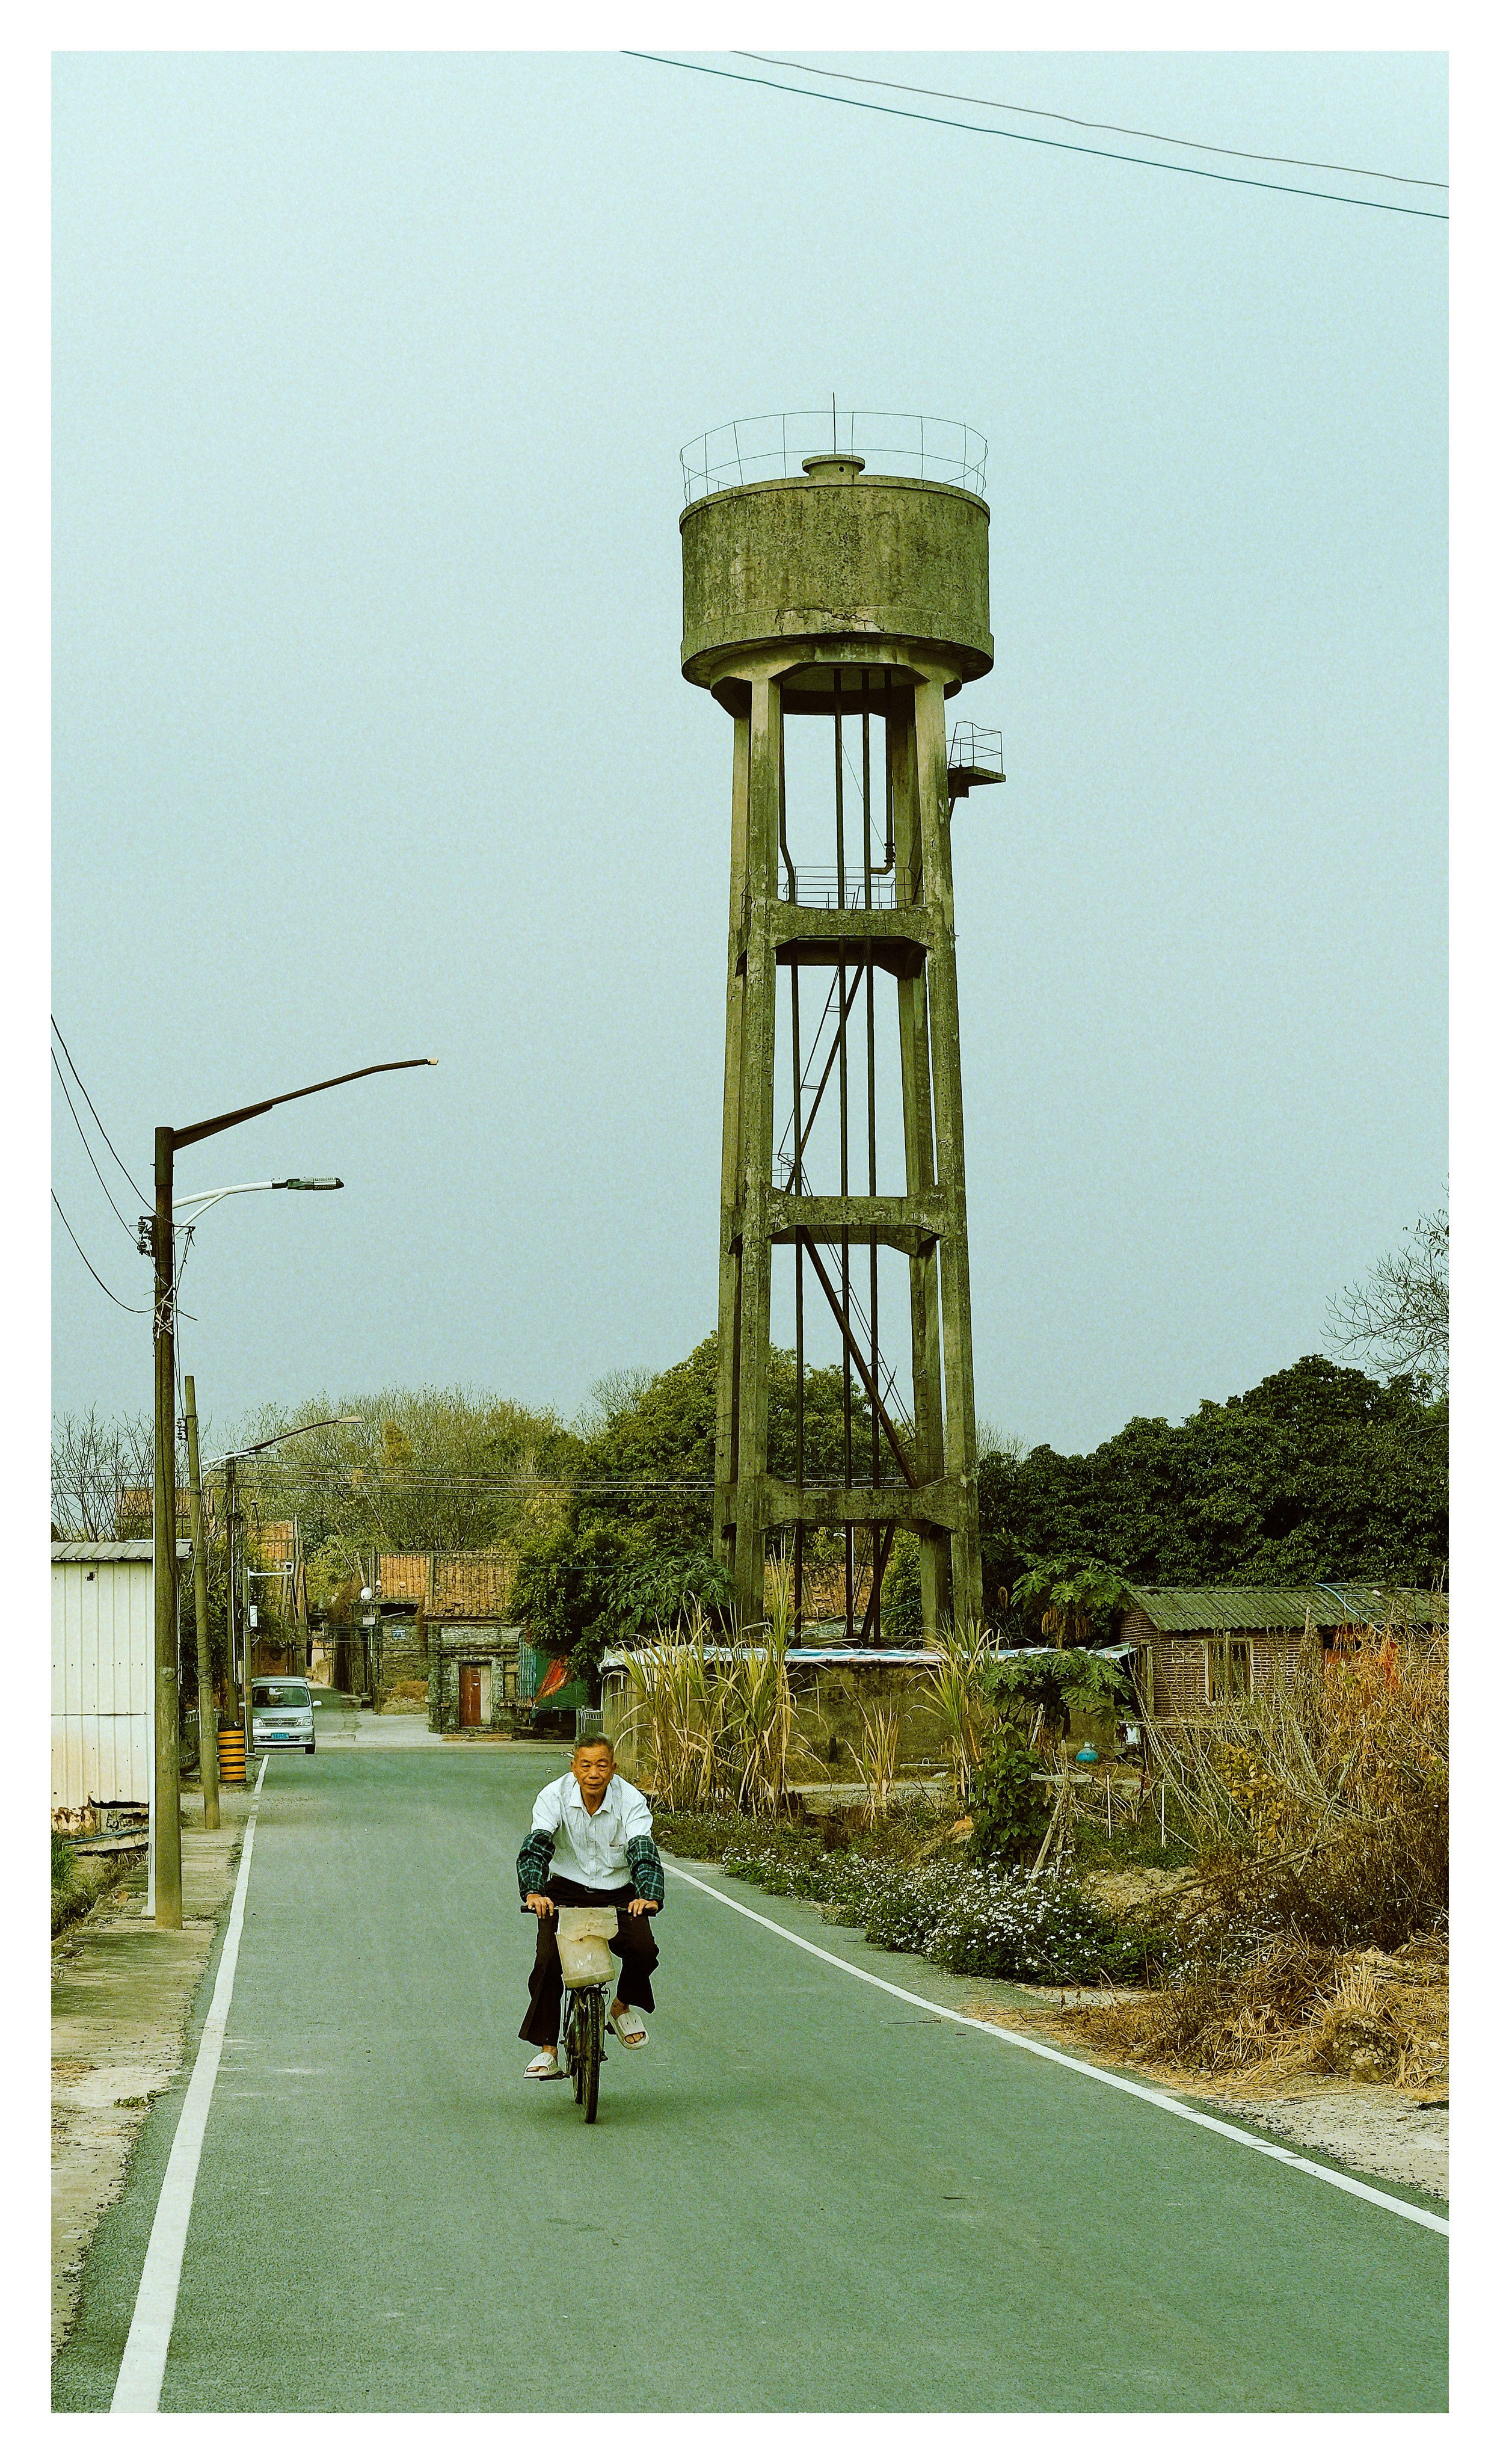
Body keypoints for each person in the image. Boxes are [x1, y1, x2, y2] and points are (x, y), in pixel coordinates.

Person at [517, 1736, 663, 2080]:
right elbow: (537, 1846)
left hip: (619, 1891)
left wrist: (650, 1895)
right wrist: (534, 1892)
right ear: (574, 1767)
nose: (593, 1773)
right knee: (549, 1962)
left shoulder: (631, 1800)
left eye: (601, 1765)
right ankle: (548, 2050)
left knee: (644, 1949)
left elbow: (643, 1850)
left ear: (613, 1769)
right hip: (566, 1890)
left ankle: (620, 2006)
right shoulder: (553, 1797)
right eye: (586, 1765)